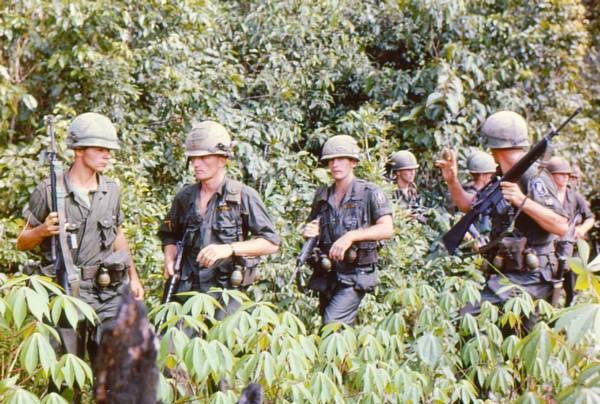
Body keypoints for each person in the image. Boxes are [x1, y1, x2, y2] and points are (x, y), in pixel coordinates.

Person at [17, 112, 144, 365]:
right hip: (65, 291)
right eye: (100, 149)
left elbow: (118, 235)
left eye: (109, 150)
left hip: (107, 291)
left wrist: (133, 277)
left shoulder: (111, 189)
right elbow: (22, 241)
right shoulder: (49, 190)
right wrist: (42, 230)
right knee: (65, 371)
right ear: (78, 151)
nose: (107, 155)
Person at [436, 110, 568, 333]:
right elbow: (470, 206)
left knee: (470, 324)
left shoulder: (532, 176)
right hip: (507, 275)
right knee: (500, 340)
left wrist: (522, 200)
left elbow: (561, 225)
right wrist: (452, 181)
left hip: (530, 277)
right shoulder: (502, 176)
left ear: (493, 147)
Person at [158, 121, 279, 321]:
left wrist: (230, 249)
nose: (196, 164)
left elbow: (271, 243)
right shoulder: (185, 197)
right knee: (174, 348)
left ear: (222, 160)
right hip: (188, 293)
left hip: (227, 295)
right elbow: (169, 234)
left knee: (223, 349)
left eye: (204, 157)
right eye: (193, 158)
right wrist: (169, 257)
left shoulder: (243, 196)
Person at [302, 135, 393, 326]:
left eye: (340, 159)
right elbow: (315, 228)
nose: (335, 164)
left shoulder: (369, 192)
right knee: (332, 328)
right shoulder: (322, 195)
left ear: (353, 162)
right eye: (331, 161)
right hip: (328, 274)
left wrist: (351, 236)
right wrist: (309, 233)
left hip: (355, 275)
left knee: (332, 324)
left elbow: (387, 228)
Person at [546, 156, 595, 305]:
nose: (565, 177)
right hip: (548, 246)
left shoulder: (575, 197)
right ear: (551, 176)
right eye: (561, 174)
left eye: (567, 174)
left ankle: (569, 313)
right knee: (547, 283)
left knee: (571, 286)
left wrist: (582, 228)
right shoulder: (545, 195)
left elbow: (590, 217)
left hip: (570, 246)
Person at [390, 150, 425, 221]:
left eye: (414, 169)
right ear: (398, 172)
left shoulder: (412, 188)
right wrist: (404, 214)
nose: (413, 173)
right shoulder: (391, 190)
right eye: (409, 170)